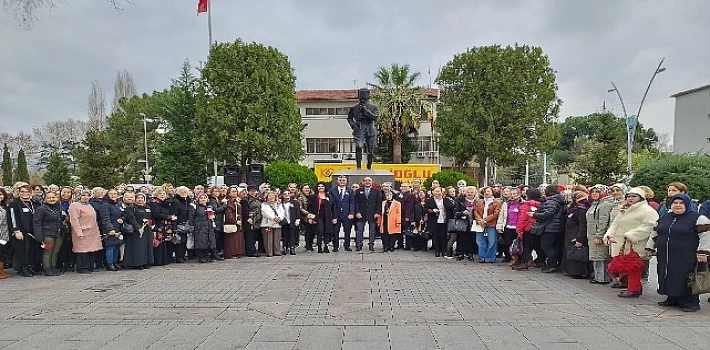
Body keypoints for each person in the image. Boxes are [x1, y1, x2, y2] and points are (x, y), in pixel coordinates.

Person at [647, 193, 710, 312]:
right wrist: (650, 248)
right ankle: (672, 298)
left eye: (681, 203)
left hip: (687, 256)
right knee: (668, 275)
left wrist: (703, 252)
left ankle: (690, 303)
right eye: (675, 203)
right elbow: (655, 233)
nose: (678, 205)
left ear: (687, 204)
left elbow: (706, 236)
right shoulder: (665, 218)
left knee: (685, 277)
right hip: (665, 255)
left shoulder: (698, 218)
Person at [603, 187, 659, 298]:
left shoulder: (647, 210)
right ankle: (633, 287)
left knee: (633, 267)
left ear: (641, 197)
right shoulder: (625, 208)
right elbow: (615, 224)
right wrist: (609, 235)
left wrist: (631, 235)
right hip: (622, 243)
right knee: (628, 267)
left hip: (636, 243)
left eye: (634, 196)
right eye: (629, 196)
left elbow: (650, 226)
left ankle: (634, 289)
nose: (630, 198)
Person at [529, 184, 567, 273]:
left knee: (546, 245)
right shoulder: (558, 199)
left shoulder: (551, 201)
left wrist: (534, 214)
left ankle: (552, 264)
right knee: (554, 246)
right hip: (556, 226)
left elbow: (548, 213)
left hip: (550, 227)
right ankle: (555, 263)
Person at [31, 191, 66, 276]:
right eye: (49, 198)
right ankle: (47, 269)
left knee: (56, 252)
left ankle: (53, 268)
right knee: (47, 252)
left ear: (56, 198)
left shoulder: (59, 207)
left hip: (58, 232)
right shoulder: (41, 209)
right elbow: (36, 222)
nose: (51, 199)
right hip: (47, 233)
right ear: (45, 199)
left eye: (53, 197)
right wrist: (39, 236)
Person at [68, 190, 103, 274]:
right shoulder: (75, 205)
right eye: (83, 195)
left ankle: (90, 266)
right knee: (82, 251)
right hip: (82, 231)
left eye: (88, 195)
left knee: (91, 249)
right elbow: (74, 220)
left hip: (92, 232)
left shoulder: (89, 205)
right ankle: (82, 267)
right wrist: (78, 232)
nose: (86, 197)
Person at [347, 88, 380, 169]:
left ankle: (369, 166)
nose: (363, 100)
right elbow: (349, 118)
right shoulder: (354, 108)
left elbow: (375, 117)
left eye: (364, 99)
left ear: (368, 98)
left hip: (370, 128)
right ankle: (358, 166)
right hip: (359, 128)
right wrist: (353, 125)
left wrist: (366, 111)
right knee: (359, 146)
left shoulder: (373, 107)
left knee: (370, 150)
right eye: (361, 98)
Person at [562, 190, 591, 279]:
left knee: (577, 253)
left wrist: (580, 238)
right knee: (572, 252)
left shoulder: (582, 209)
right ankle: (571, 271)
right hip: (571, 233)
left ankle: (579, 272)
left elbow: (583, 225)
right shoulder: (574, 208)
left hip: (576, 234)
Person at [122, 193, 154, 269]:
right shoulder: (131, 208)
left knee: (146, 246)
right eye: (138, 198)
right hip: (136, 231)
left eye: (142, 198)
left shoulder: (147, 207)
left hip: (147, 230)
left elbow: (151, 218)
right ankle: (137, 263)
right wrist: (138, 228)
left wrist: (152, 225)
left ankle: (146, 262)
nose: (140, 199)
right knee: (138, 247)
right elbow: (131, 219)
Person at [354, 177, 383, 251]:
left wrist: (377, 212)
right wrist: (357, 212)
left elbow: (379, 203)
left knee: (372, 231)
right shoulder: (358, 191)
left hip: (372, 214)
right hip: (361, 214)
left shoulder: (377, 191)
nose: (367, 182)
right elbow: (356, 203)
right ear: (363, 182)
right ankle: (359, 245)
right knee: (359, 230)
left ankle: (371, 244)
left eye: (369, 181)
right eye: (366, 181)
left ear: (372, 182)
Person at [330, 175, 354, 252]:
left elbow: (352, 203)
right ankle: (335, 246)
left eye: (343, 180)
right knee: (335, 231)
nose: (342, 182)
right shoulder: (332, 191)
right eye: (340, 180)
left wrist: (351, 213)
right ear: (337, 181)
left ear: (346, 181)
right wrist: (332, 216)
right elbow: (331, 203)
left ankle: (347, 245)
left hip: (347, 214)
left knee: (347, 231)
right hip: (336, 214)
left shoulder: (350, 191)